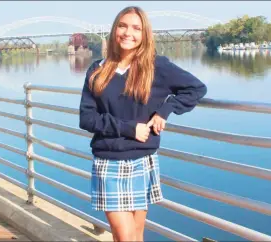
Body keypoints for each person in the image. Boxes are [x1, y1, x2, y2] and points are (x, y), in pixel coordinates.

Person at [79, 6, 207, 242]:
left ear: (145, 34)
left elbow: (196, 89)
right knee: (125, 237)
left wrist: (165, 110)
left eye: (136, 28)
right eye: (123, 26)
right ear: (114, 30)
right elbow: (87, 118)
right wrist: (129, 128)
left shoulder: (156, 67)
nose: (128, 33)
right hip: (109, 161)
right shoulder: (97, 69)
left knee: (136, 236)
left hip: (143, 160)